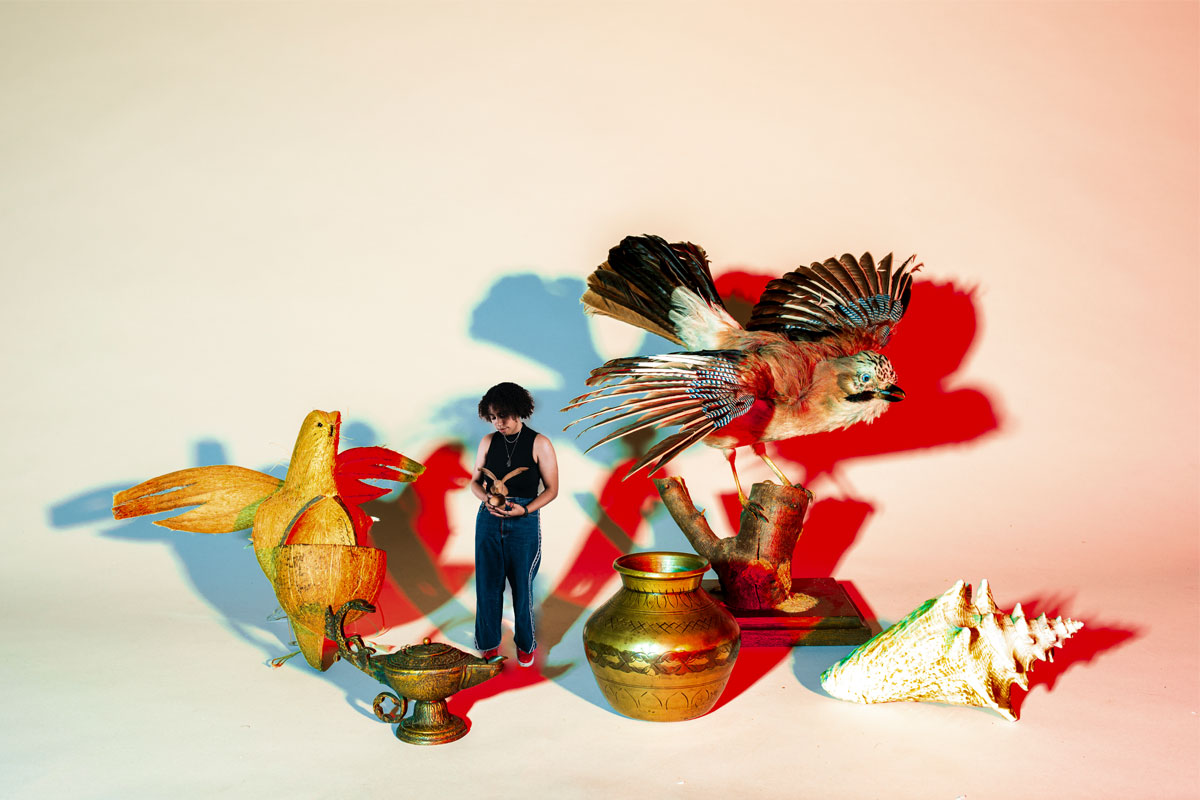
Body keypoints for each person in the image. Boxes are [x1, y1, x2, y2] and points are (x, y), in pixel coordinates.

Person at [470, 382, 558, 667]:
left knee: (522, 585)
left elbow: (552, 489)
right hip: (488, 519)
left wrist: (525, 509)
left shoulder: (540, 443)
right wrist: (486, 499)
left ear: (518, 411)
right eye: (493, 417)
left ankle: (525, 644)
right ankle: (487, 643)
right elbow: (474, 481)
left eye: (503, 416)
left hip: (524, 519)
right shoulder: (487, 441)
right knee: (487, 584)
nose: (498, 423)